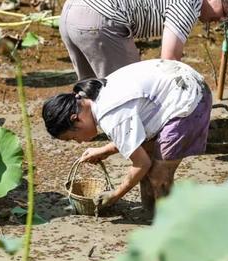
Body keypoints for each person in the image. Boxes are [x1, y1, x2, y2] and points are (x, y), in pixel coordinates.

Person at [42, 59, 212, 213]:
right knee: (148, 166)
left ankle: (170, 227)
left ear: (76, 119)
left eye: (72, 137)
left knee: (158, 174)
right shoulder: (93, 97)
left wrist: (116, 195)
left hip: (190, 98)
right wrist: (105, 150)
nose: (78, 141)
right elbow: (134, 134)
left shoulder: (109, 116)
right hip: (180, 82)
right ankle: (151, 214)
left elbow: (141, 163)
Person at [60, 0, 228, 79]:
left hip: (71, 9)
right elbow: (170, 62)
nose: (221, 21)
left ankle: (93, 139)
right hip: (99, 18)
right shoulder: (189, 0)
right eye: (226, 13)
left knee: (90, 90)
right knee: (130, 90)